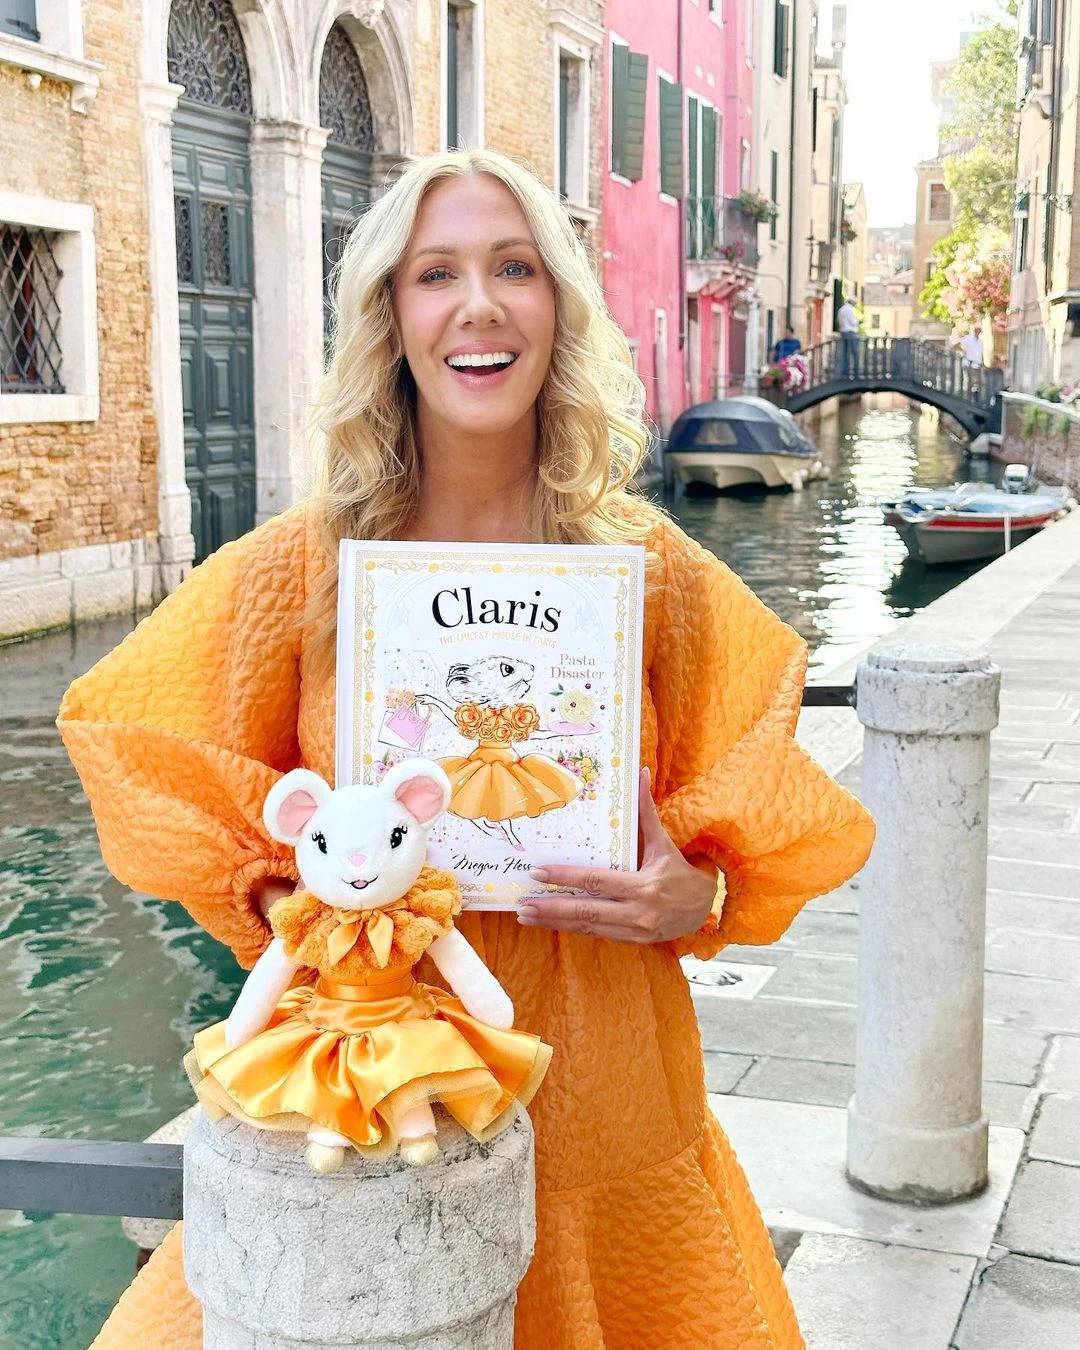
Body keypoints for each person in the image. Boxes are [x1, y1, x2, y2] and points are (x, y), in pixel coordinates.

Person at [58, 150, 874, 1349]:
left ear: (559, 306)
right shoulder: (305, 566)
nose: (478, 305)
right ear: (391, 316)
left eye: (515, 268)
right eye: (436, 273)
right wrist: (299, 897)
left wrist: (694, 896)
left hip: (609, 1085)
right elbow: (131, 741)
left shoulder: (651, 570)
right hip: (373, 1080)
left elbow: (760, 797)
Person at [836, 295, 861, 378]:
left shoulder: (841, 310)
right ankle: (856, 373)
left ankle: (845, 373)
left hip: (843, 332)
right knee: (855, 353)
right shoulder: (849, 310)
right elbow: (853, 322)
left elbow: (839, 321)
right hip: (850, 332)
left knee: (845, 353)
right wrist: (858, 321)